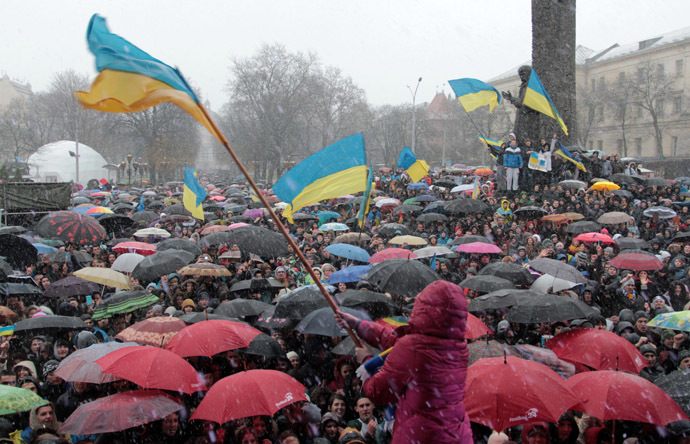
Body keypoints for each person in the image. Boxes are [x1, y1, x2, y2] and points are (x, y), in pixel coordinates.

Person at [336, 280, 472, 443]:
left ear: (423, 307)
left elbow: (378, 391)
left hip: (420, 435)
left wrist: (367, 359)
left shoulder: (413, 347)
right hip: (454, 433)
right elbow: (395, 341)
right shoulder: (457, 346)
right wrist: (358, 324)